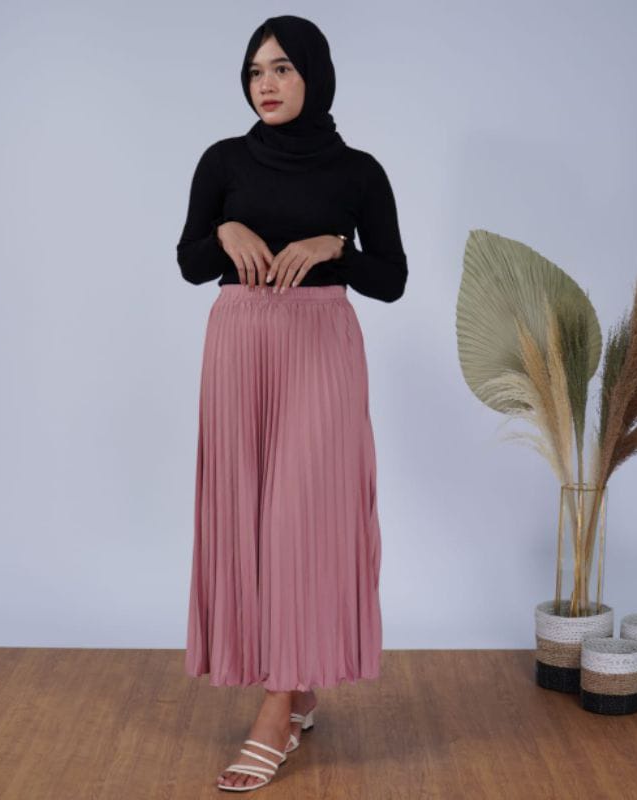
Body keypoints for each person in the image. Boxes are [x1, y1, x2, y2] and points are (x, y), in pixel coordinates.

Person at [176, 15, 407, 791]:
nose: (265, 84)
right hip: (239, 345)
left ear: (314, 73)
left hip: (320, 346)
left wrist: (335, 246)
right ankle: (297, 684)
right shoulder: (222, 161)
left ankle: (277, 710)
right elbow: (189, 262)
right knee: (249, 515)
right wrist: (225, 228)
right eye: (254, 72)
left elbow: (391, 278)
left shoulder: (358, 172)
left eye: (281, 68)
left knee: (299, 520)